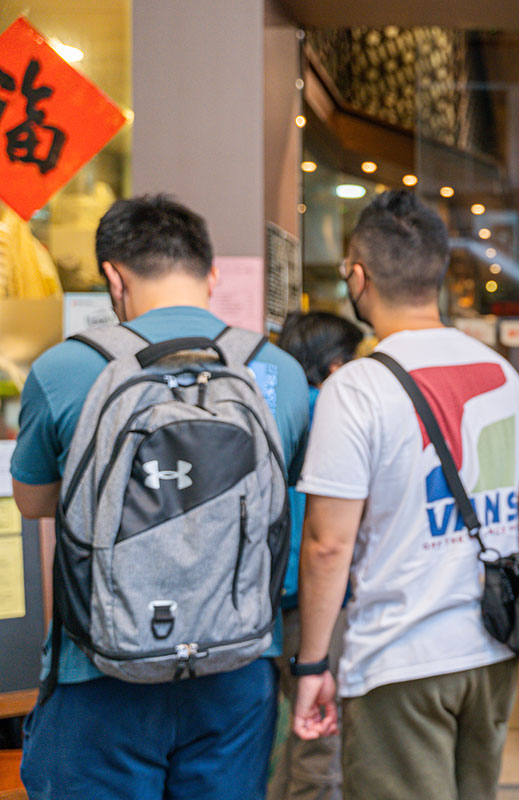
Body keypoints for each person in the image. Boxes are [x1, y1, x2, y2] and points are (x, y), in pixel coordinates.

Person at [11, 195, 309, 800]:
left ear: (114, 278)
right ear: (212, 273)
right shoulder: (278, 370)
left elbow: (35, 502)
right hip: (238, 663)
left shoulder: (66, 367)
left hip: (99, 667)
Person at [289, 189, 519, 800]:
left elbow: (327, 544)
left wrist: (314, 664)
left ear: (358, 275)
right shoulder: (500, 371)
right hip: (491, 648)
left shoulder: (359, 387)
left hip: (400, 657)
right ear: (439, 273)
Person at [269, 311, 363, 800]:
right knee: (319, 739)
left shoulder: (267, 406)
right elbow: (327, 541)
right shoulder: (328, 415)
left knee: (277, 743)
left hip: (254, 606)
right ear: (333, 366)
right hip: (311, 606)